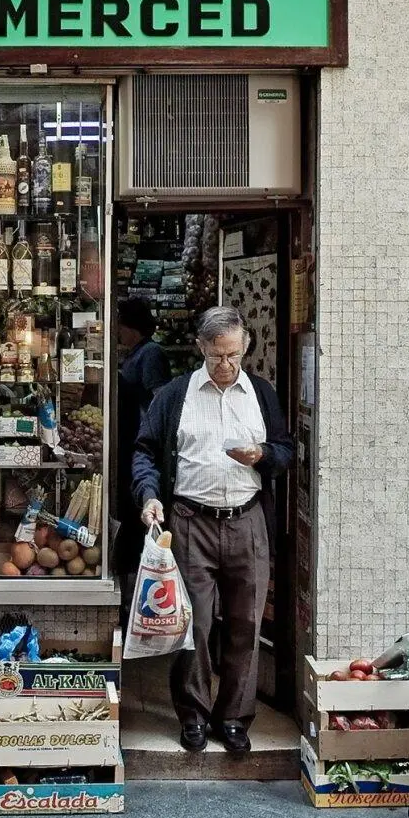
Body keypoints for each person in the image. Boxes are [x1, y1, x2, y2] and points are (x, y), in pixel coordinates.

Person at [132, 306, 294, 755]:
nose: (225, 365)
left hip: (247, 520)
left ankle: (235, 717)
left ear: (244, 348)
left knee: (245, 623)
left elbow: (286, 450)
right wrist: (149, 494)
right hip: (189, 522)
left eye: (233, 356)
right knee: (196, 625)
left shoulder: (261, 394)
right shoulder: (174, 395)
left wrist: (262, 455)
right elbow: (145, 449)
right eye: (217, 355)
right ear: (202, 347)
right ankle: (194, 715)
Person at [113, 298, 170, 619]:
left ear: (129, 325)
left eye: (120, 323)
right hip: (129, 443)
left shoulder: (151, 354)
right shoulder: (136, 354)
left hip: (140, 445)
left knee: (138, 518)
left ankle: (142, 597)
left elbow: (158, 400)